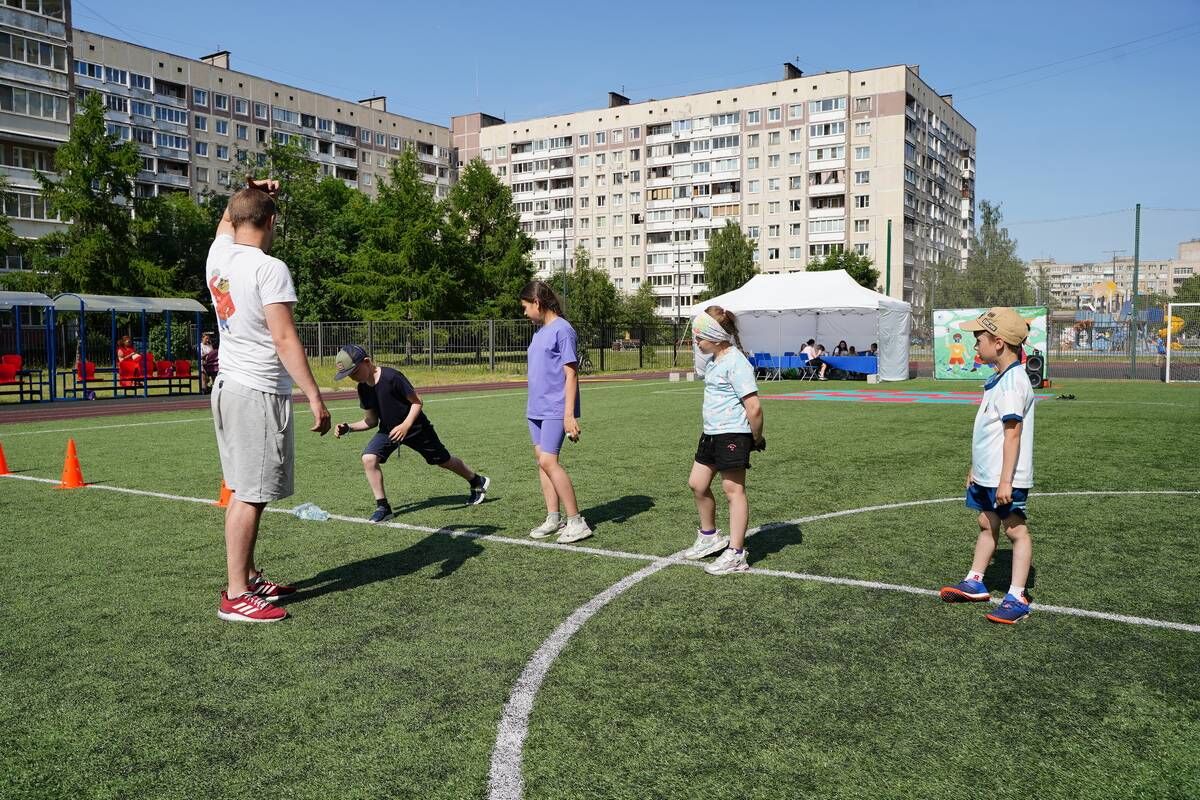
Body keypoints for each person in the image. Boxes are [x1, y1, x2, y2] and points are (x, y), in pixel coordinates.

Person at [207, 178, 331, 624]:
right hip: (257, 390)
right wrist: (315, 395)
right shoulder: (268, 266)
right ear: (272, 221)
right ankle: (236, 594)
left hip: (227, 387)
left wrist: (248, 189)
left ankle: (249, 576)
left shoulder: (218, 257)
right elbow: (284, 337)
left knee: (245, 487)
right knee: (250, 494)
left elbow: (228, 217)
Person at [939, 307, 1037, 624]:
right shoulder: (999, 378)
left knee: (1016, 531)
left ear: (998, 343)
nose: (974, 345)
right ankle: (975, 580)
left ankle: (1017, 594)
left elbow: (1012, 434)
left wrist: (1006, 481)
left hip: (1003, 478)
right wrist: (976, 468)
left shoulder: (1012, 383)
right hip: (987, 474)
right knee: (986, 524)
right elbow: (988, 433)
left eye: (978, 338)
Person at [332, 344, 490, 521]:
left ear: (367, 362)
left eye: (354, 372)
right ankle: (383, 507)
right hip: (389, 432)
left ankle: (476, 480)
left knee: (443, 461)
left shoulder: (392, 377)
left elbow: (417, 402)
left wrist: (405, 425)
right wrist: (349, 428)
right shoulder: (362, 388)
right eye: (348, 376)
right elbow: (370, 421)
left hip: (416, 429)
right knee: (368, 458)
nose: (352, 378)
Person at [683, 306, 765, 575]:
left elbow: (753, 407)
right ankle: (709, 536)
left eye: (699, 337)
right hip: (711, 433)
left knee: (733, 491)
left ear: (717, 337)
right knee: (697, 484)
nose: (695, 342)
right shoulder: (714, 360)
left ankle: (737, 553)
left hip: (732, 434)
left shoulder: (737, 362)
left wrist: (756, 437)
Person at [520, 280, 593, 543]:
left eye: (526, 307)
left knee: (550, 461)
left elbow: (571, 374)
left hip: (554, 407)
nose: (525, 312)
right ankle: (554, 517)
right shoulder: (540, 331)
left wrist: (569, 414)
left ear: (537, 303)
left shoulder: (563, 330)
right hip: (536, 408)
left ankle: (576, 521)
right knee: (542, 462)